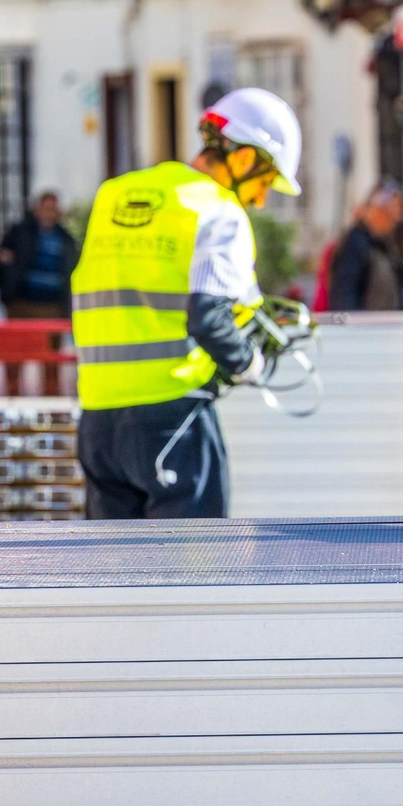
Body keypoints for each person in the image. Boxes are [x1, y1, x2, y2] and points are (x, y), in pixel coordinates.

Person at [72, 87, 302, 518]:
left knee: (107, 578)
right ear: (244, 158)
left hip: (98, 422)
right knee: (195, 574)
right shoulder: (218, 211)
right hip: (172, 422)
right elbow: (209, 317)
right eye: (266, 182)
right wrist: (251, 364)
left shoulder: (113, 195)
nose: (260, 199)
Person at [0, 190, 79, 396]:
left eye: (53, 208)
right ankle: (13, 403)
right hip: (20, 305)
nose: (49, 213)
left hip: (51, 308)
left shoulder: (66, 239)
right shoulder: (20, 232)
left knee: (51, 363)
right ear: (37, 210)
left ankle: (51, 407)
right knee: (14, 360)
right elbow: (2, 256)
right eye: (45, 208)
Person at [328, 183, 403, 311]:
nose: (398, 219)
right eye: (392, 212)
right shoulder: (356, 243)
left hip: (385, 326)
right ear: (377, 211)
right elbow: (344, 295)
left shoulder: (384, 243)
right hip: (366, 327)